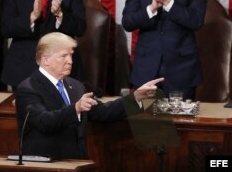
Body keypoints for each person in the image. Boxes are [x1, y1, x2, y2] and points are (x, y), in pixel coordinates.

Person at [15, 32, 164, 159]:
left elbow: (103, 111)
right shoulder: (28, 88)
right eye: (63, 56)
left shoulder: (76, 86)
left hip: (76, 162)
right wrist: (76, 108)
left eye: (71, 56)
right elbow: (44, 121)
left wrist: (136, 97)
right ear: (45, 59)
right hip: (44, 164)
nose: (70, 61)